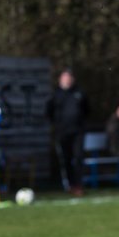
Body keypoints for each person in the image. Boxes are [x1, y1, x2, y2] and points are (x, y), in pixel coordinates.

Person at [45, 68, 90, 197]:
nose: (67, 80)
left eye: (69, 77)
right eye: (65, 78)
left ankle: (79, 185)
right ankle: (70, 185)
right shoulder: (55, 95)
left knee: (78, 158)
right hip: (62, 133)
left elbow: (87, 110)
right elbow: (48, 112)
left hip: (78, 132)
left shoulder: (80, 93)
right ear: (60, 79)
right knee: (66, 159)